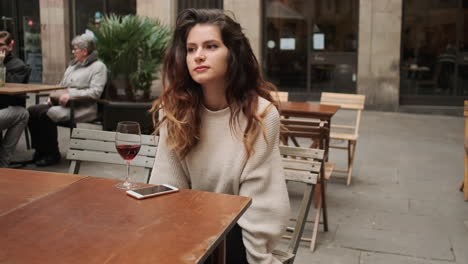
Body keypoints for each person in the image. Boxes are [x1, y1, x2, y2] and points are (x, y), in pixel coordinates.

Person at [149, 9, 290, 264]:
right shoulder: (174, 112)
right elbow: (167, 189)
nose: (198, 56)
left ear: (233, 54)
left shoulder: (260, 115)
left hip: (239, 233)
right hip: (189, 228)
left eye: (211, 46)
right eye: (191, 49)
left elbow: (260, 207)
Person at [27, 34, 107, 166]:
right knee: (32, 111)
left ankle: (52, 153)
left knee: (46, 114)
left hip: (83, 106)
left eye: (75, 49)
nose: (73, 51)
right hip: (63, 104)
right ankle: (40, 150)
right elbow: (61, 85)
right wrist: (52, 96)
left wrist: (70, 94)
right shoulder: (73, 66)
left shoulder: (98, 67)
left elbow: (95, 92)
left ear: (85, 51)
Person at [0, 31, 30, 168]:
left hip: (6, 107)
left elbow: (9, 88)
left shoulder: (18, 65)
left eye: (1, 45)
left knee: (22, 112)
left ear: (10, 47)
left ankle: (3, 163)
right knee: (23, 114)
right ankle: (3, 164)